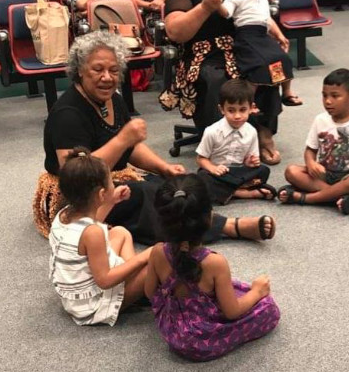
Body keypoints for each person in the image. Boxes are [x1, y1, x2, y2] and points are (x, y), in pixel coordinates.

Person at [39, 31, 275, 245]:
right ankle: (227, 227)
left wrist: (164, 168)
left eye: (113, 70)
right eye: (98, 69)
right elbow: (76, 176)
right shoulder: (67, 114)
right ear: (80, 69)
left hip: (110, 180)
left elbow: (131, 149)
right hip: (78, 198)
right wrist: (123, 139)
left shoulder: (113, 98)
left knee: (170, 185)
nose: (107, 77)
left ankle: (210, 220)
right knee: (142, 195)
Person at [159, 0, 283, 166]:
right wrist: (205, 6)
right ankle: (220, 143)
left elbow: (256, 12)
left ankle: (264, 133)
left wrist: (274, 35)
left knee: (269, 65)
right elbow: (175, 31)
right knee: (219, 79)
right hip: (201, 56)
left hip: (240, 48)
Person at [144, 174, 280, 361]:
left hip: (171, 330)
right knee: (268, 308)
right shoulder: (215, 263)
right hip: (200, 341)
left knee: (230, 287)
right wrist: (257, 292)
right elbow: (232, 312)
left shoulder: (157, 251)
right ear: (209, 217)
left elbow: (150, 293)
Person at [49, 147, 152, 326]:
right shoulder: (92, 233)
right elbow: (104, 280)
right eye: (111, 181)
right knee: (154, 260)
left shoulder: (64, 214)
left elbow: (92, 220)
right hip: (93, 307)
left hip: (75, 298)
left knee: (120, 232)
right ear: (101, 194)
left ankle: (133, 281)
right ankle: (137, 284)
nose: (114, 183)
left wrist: (112, 200)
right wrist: (144, 256)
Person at [278, 69, 349, 216]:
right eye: (324, 95)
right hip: (324, 174)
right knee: (291, 171)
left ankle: (306, 198)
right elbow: (310, 150)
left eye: (335, 96)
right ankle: (339, 197)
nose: (327, 101)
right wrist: (311, 163)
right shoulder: (320, 120)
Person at [218, 0, 302, 106]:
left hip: (262, 35)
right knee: (259, 64)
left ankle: (286, 92)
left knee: (282, 58)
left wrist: (279, 35)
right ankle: (250, 102)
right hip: (246, 37)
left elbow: (267, 19)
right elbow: (226, 13)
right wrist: (216, 3)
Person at [196, 79, 276, 204]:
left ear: (251, 108)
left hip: (238, 171)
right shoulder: (211, 131)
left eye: (243, 110)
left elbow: (248, 161)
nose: (237, 116)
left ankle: (227, 191)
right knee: (202, 178)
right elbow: (201, 159)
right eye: (231, 110)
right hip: (217, 172)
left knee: (263, 170)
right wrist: (212, 168)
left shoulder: (252, 132)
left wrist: (250, 162)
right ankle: (243, 192)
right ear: (222, 109)